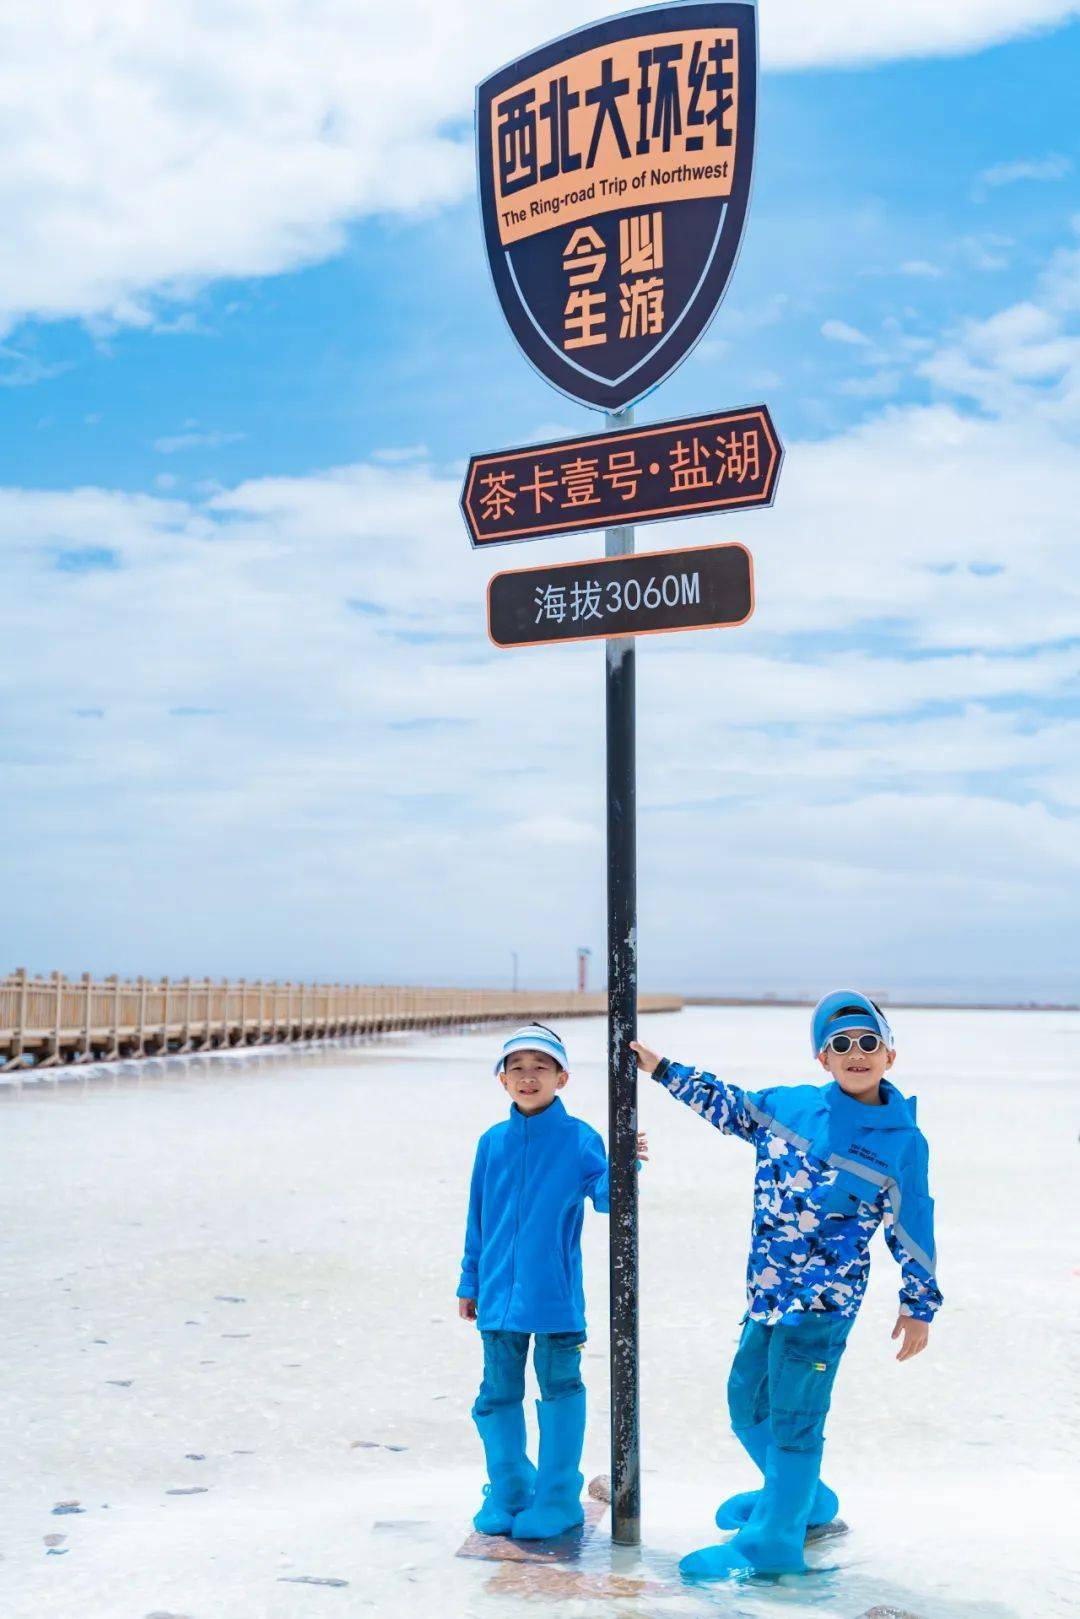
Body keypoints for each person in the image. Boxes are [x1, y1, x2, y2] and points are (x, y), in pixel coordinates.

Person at [631, 989, 942, 1580]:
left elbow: (914, 1224)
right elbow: (728, 1105)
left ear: (890, 1056)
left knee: (797, 1418)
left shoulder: (901, 1141)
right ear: (822, 1058)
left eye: (868, 1043)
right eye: (840, 1044)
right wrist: (663, 1069)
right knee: (745, 1401)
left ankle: (773, 1542)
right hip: (767, 1292)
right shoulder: (790, 1107)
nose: (856, 1053)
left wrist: (918, 1305)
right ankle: (804, 1500)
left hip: (825, 1305)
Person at [457, 1022, 646, 1540]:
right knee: (496, 1395)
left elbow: (608, 1200)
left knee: (560, 1389)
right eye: (516, 1068)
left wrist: (625, 1164)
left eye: (540, 1067)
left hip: (556, 1298)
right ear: (502, 1080)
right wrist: (469, 1281)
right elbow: (477, 1218)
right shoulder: (491, 1143)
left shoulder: (580, 1139)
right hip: (497, 1297)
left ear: (561, 1077)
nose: (528, 1076)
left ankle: (558, 1497)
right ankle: (509, 1492)